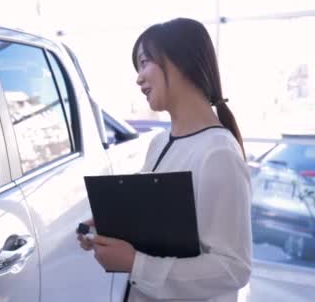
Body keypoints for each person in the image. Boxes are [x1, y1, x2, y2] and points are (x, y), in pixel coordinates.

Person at [77, 18, 251, 302]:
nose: (138, 77)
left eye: (145, 62)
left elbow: (233, 268)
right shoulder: (159, 143)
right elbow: (160, 226)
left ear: (181, 62)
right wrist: (109, 226)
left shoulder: (218, 153)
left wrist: (135, 264)